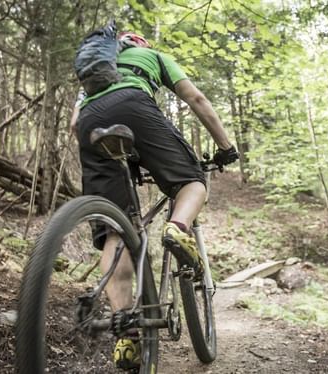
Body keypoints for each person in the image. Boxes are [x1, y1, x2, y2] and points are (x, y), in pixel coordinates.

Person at [72, 31, 238, 371]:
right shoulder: (155, 57)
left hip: (91, 124)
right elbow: (197, 98)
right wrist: (225, 147)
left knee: (116, 230)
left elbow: (75, 122)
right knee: (192, 181)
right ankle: (178, 227)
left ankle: (126, 335)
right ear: (141, 44)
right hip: (134, 107)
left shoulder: (95, 72)